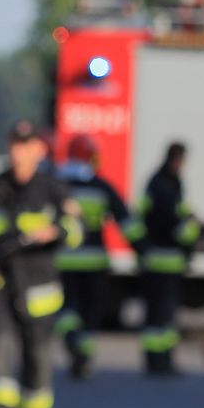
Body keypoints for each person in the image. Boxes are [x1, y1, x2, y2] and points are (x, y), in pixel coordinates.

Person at [0, 121, 68, 408]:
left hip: (39, 290)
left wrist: (57, 233)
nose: (18, 152)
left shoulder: (52, 189)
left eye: (25, 145)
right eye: (14, 144)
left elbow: (76, 228)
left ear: (39, 150)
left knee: (37, 362)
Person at [55, 134, 140, 378]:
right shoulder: (101, 187)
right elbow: (126, 221)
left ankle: (72, 339)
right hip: (93, 263)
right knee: (91, 312)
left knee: (66, 308)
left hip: (62, 261)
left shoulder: (54, 184)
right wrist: (142, 249)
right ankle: (84, 354)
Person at [137, 141, 200, 375]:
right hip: (164, 258)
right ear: (176, 159)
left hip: (161, 258)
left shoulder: (164, 182)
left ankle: (161, 359)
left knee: (162, 314)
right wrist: (193, 231)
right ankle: (159, 361)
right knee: (161, 314)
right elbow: (170, 222)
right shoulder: (163, 185)